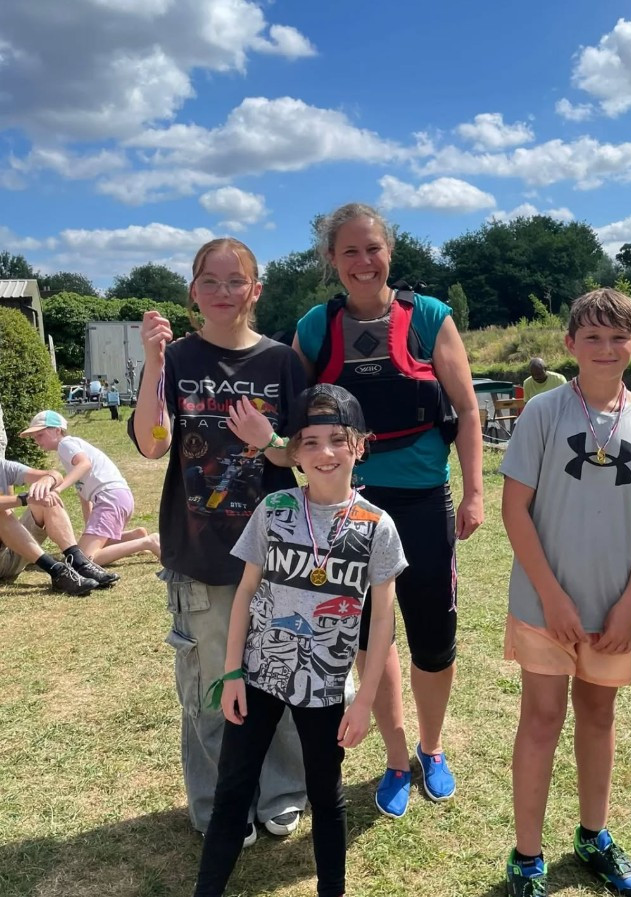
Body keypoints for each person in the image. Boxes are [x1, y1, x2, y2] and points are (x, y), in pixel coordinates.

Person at [288, 203, 484, 819]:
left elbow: (469, 409)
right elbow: (295, 418)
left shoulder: (429, 317)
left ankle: (432, 747)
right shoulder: (315, 329)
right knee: (372, 642)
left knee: (432, 637)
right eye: (349, 251)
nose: (363, 261)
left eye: (372, 248)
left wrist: (475, 491)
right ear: (332, 261)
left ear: (389, 252)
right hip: (352, 506)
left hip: (423, 500)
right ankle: (397, 758)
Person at [193, 384, 406, 897]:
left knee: (325, 794)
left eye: (337, 439)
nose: (325, 453)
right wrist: (231, 673)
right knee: (231, 790)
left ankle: (332, 888)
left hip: (326, 687)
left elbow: (381, 624)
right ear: (294, 453)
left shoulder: (377, 527)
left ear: (360, 445)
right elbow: (245, 593)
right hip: (259, 676)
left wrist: (363, 702)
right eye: (309, 442)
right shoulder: (274, 508)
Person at [129, 237, 308, 846]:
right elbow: (153, 443)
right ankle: (219, 803)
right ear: (193, 292)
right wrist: (153, 363)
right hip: (200, 557)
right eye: (211, 281)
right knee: (210, 686)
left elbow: (305, 458)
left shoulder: (283, 363)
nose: (224, 293)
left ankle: (283, 792)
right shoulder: (177, 359)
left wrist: (266, 440)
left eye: (238, 282)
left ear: (256, 291)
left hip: (278, 552)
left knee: (278, 678)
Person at [501, 289, 631, 896]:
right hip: (543, 603)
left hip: (613, 607)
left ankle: (593, 834)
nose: (606, 349)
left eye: (619, 338)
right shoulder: (544, 412)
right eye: (593, 338)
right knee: (542, 718)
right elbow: (515, 509)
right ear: (570, 344)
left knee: (598, 716)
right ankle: (527, 855)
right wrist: (550, 596)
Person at [21, 410, 159, 567]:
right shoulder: (68, 449)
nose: (36, 441)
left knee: (85, 559)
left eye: (40, 435)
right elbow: (84, 495)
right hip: (117, 498)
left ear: (57, 430)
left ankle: (149, 542)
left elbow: (85, 464)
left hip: (110, 499)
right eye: (34, 437)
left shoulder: (65, 444)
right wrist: (89, 525)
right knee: (84, 550)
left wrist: (57, 490)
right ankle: (136, 537)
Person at [0, 455, 114, 594]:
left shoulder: (3, 467)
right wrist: (24, 499)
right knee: (2, 513)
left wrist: (48, 480)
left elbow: (55, 475)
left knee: (48, 498)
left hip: (10, 552)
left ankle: (79, 562)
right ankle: (57, 571)